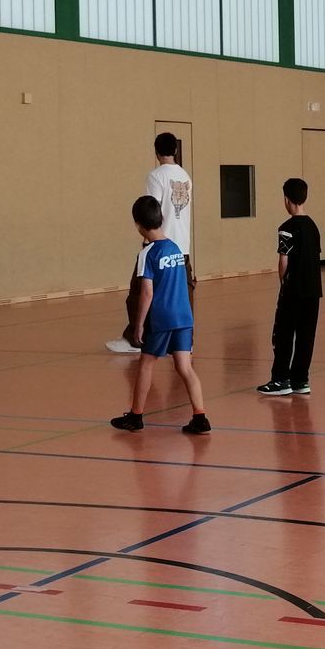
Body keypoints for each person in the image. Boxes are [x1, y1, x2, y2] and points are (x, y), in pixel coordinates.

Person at [108, 195, 209, 434]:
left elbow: (147, 293)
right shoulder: (175, 248)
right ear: (161, 218)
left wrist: (138, 324)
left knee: (146, 364)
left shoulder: (148, 254)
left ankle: (136, 416)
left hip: (162, 318)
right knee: (185, 367)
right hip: (184, 318)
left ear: (138, 225)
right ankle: (200, 417)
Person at [107, 132, 194, 354]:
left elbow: (152, 208)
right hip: (182, 244)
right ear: (175, 150)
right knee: (184, 291)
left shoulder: (156, 176)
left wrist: (147, 240)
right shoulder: (185, 176)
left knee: (139, 290)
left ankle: (136, 339)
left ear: (156, 152)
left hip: (159, 243)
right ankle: (186, 341)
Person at [258, 178, 321, 396]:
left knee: (284, 334)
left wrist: (283, 282)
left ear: (286, 199)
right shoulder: (313, 227)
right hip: (313, 290)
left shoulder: (287, 228)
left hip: (293, 289)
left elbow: (283, 260)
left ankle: (280, 379)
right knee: (306, 336)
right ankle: (300, 380)